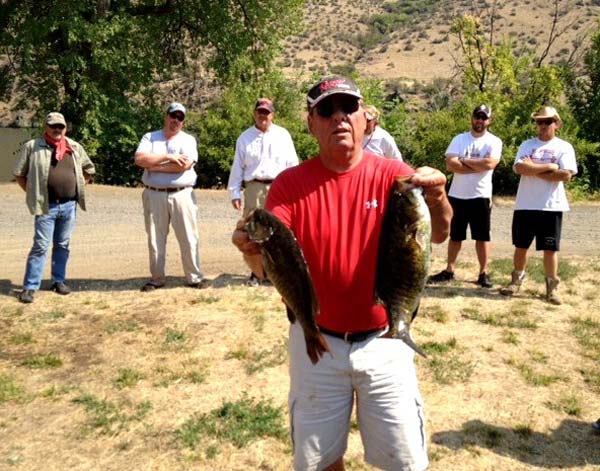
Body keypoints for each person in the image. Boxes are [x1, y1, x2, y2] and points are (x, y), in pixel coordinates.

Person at [232, 75, 452, 471]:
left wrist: (437, 197)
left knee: (404, 462)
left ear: (366, 119)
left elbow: (439, 232)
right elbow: (268, 266)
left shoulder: (394, 176)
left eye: (348, 108)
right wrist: (249, 251)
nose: (339, 118)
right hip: (316, 345)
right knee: (319, 460)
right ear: (310, 122)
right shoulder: (289, 186)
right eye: (326, 110)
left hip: (386, 341)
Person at [13, 112, 95, 304]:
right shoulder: (32, 147)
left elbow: (89, 169)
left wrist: (79, 185)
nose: (57, 129)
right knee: (40, 246)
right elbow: (19, 174)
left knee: (63, 245)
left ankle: (58, 281)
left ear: (65, 128)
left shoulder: (74, 147)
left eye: (60, 126)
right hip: (46, 206)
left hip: (69, 206)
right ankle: (30, 286)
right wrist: (32, 193)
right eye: (53, 126)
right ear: (45, 127)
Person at [500, 106, 577, 305]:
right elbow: (518, 168)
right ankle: (516, 281)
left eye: (547, 121)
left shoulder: (564, 147)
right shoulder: (527, 145)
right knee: (521, 246)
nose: (543, 125)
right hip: (526, 204)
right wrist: (549, 167)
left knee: (550, 249)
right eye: (539, 121)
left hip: (551, 206)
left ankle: (552, 288)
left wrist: (532, 169)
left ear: (557, 123)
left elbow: (566, 175)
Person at [134, 102, 208, 292]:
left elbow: (182, 166)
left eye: (180, 117)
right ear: (166, 116)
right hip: (153, 194)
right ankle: (157, 278)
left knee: (189, 237)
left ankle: (194, 277)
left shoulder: (188, 140)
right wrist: (168, 156)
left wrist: (154, 165)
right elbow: (140, 160)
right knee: (155, 239)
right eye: (173, 116)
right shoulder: (150, 137)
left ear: (183, 122)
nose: (176, 120)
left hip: (182, 194)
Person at [428, 105, 502, 288]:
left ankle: (483, 273)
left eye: (484, 118)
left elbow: (490, 163)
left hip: (481, 195)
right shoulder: (459, 139)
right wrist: (478, 164)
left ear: (489, 121)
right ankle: (449, 270)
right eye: (477, 116)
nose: (480, 121)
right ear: (472, 117)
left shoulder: (494, 141)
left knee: (482, 236)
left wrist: (464, 161)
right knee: (456, 235)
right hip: (457, 195)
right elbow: (450, 165)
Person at [227, 98, 298, 286]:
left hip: (279, 186)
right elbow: (237, 167)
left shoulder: (283, 135)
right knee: (252, 232)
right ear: (254, 113)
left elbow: (293, 164)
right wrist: (234, 192)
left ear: (272, 114)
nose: (262, 115)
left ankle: (279, 272)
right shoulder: (245, 137)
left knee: (280, 230)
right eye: (259, 112)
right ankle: (257, 273)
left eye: (266, 112)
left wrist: (295, 189)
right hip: (254, 188)